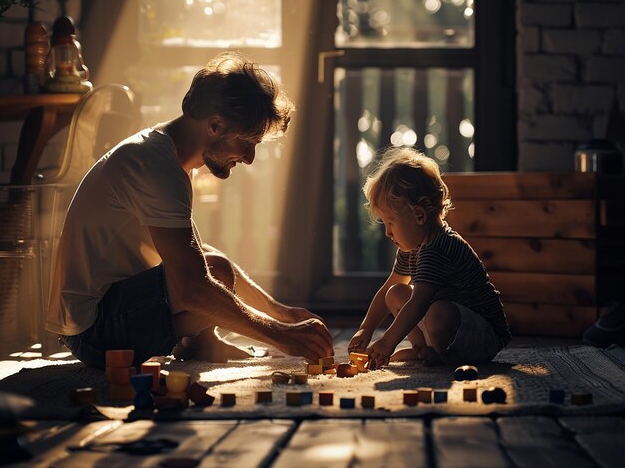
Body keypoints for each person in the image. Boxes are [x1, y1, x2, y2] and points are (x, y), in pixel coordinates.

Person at [46, 51, 334, 369]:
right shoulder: (156, 165)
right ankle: (201, 345)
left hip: (104, 315)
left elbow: (199, 257)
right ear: (215, 124)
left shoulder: (168, 155)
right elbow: (192, 288)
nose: (250, 157)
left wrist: (283, 313)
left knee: (216, 269)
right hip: (94, 331)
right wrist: (284, 336)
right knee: (200, 282)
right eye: (248, 141)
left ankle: (203, 345)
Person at [348, 147, 511, 368]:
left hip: (482, 333)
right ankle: (424, 349)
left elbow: (418, 303)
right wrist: (366, 328)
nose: (387, 233)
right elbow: (392, 286)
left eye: (390, 223)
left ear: (419, 215)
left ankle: (445, 357)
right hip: (449, 323)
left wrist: (388, 342)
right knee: (395, 293)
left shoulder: (440, 247)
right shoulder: (412, 248)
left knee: (437, 313)